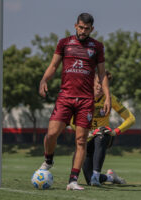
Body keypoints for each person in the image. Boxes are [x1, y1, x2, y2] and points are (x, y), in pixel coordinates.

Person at [38, 13, 111, 190]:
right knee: (52, 134)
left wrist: (107, 96)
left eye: (87, 28)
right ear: (75, 26)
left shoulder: (97, 47)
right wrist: (44, 79)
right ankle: (48, 160)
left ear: (92, 29)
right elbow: (54, 65)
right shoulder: (64, 43)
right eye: (80, 27)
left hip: (86, 101)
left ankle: (72, 181)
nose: (83, 31)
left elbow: (101, 74)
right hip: (65, 97)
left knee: (80, 140)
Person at [72, 71, 135, 186]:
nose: (100, 86)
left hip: (103, 136)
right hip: (86, 138)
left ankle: (96, 175)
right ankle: (111, 177)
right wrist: (86, 133)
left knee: (101, 134)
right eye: (98, 82)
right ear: (92, 82)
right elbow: (71, 120)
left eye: (104, 84)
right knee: (89, 180)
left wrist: (114, 132)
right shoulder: (83, 97)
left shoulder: (110, 99)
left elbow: (131, 119)